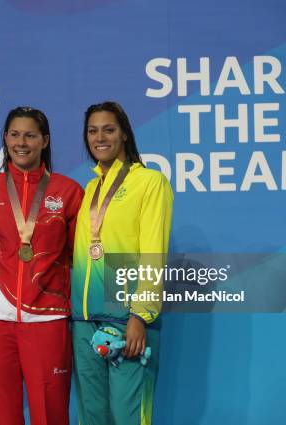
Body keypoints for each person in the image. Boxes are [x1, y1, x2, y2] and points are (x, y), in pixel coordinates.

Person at [0, 107, 84, 425]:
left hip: (47, 317)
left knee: (50, 413)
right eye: (15, 134)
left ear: (45, 141)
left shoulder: (69, 192)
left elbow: (79, 255)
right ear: (5, 138)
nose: (22, 142)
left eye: (30, 135)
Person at [71, 101, 173, 425]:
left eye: (109, 129)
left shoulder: (150, 183)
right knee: (92, 416)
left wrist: (140, 316)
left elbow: (153, 253)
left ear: (125, 134)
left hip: (126, 318)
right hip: (85, 320)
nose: (100, 137)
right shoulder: (90, 188)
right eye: (92, 130)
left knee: (128, 417)